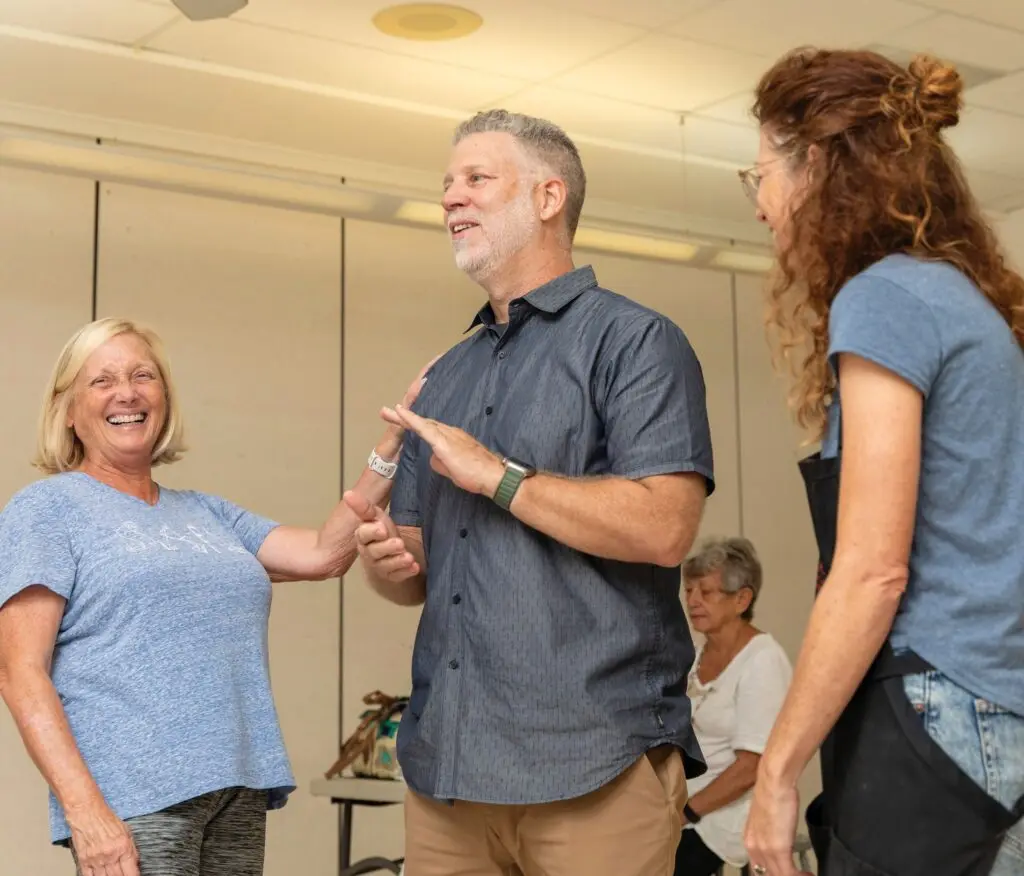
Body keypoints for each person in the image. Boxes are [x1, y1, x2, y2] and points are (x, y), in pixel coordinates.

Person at [343, 109, 715, 876]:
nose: (451, 198)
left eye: (477, 179)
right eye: (446, 184)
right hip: (447, 773)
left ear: (549, 198)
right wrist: (387, 562)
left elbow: (664, 528)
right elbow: (414, 568)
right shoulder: (446, 371)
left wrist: (500, 478)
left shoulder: (637, 342)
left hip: (593, 767)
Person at [0, 317, 433, 876]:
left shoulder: (208, 513)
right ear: (68, 410)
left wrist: (394, 443)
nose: (127, 392)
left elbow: (326, 553)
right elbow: (19, 671)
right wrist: (86, 814)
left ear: (164, 397)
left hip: (236, 788)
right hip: (135, 798)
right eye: (101, 381)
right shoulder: (48, 510)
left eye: (142, 375)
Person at [738, 48, 1024, 876]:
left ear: (818, 166)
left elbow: (870, 571)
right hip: (996, 707)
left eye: (761, 174)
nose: (759, 204)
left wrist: (778, 770)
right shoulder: (965, 301)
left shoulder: (885, 299)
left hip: (933, 708)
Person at [674, 537, 791, 876]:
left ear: (742, 599)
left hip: (723, 820)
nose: (693, 601)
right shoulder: (697, 652)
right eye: (689, 590)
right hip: (683, 810)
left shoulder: (763, 660)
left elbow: (751, 767)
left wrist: (686, 812)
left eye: (706, 592)